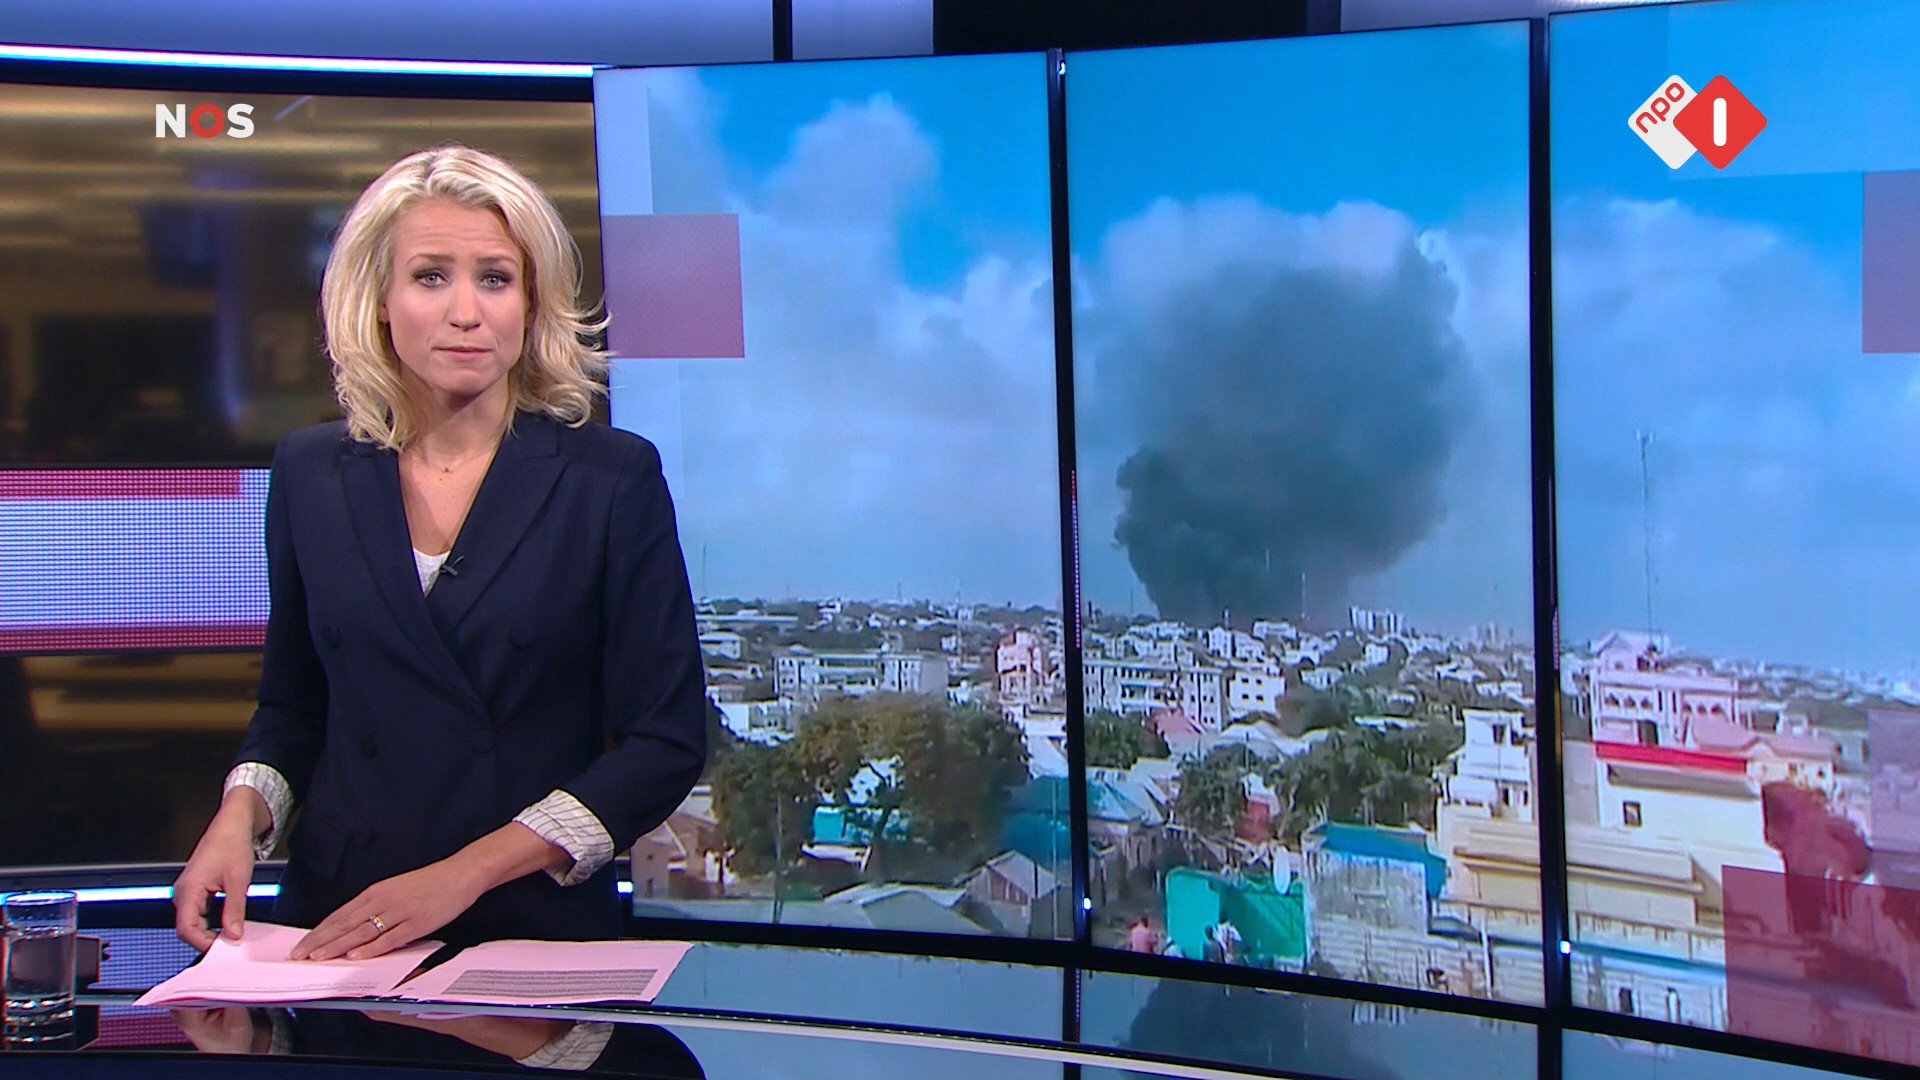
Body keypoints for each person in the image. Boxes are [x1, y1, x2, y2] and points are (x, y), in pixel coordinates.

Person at [170, 145, 708, 961]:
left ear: (531, 304)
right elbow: (293, 708)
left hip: (525, 929)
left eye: (495, 278)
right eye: (430, 277)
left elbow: (662, 745)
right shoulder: (311, 472)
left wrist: (461, 876)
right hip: (335, 926)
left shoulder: (610, 479)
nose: (466, 311)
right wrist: (240, 816)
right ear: (379, 301)